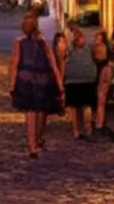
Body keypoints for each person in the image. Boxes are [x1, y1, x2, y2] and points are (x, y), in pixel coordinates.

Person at [9, 15, 64, 158]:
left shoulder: (19, 42)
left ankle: (32, 146)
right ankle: (37, 138)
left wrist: (13, 84)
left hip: (26, 80)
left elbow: (15, 63)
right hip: (43, 80)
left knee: (30, 113)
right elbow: (52, 63)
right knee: (41, 111)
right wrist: (59, 84)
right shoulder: (43, 42)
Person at [63, 27, 99, 140]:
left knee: (75, 107)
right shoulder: (89, 48)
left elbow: (62, 59)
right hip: (87, 79)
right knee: (86, 105)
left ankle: (77, 130)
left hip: (73, 80)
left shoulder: (70, 49)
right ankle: (87, 128)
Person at [92, 30, 112, 134]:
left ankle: (98, 122)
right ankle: (100, 120)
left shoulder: (98, 48)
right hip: (104, 71)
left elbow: (99, 59)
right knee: (101, 98)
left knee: (100, 98)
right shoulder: (105, 47)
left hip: (101, 72)